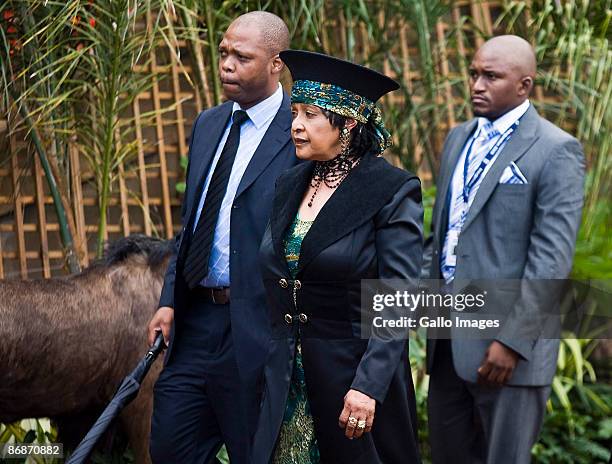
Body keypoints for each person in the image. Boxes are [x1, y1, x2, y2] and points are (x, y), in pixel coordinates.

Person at [252, 50, 423, 464]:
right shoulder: (289, 184)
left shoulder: (390, 190)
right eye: (294, 112)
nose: (296, 125)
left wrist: (368, 386)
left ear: (347, 123)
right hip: (286, 383)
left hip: (353, 386)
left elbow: (399, 296)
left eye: (310, 115)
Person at [146, 12, 298, 464]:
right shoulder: (209, 123)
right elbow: (193, 223)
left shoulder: (298, 132)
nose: (226, 64)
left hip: (256, 326)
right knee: (171, 447)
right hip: (196, 322)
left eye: (242, 57)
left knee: (254, 451)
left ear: (276, 64)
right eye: (224, 53)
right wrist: (170, 299)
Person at [426, 35, 585, 464]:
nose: (477, 84)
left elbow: (551, 259)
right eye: (474, 74)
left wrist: (512, 341)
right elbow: (443, 236)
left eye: (491, 77)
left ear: (524, 85)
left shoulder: (556, 151)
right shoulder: (457, 139)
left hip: (508, 353)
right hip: (446, 345)